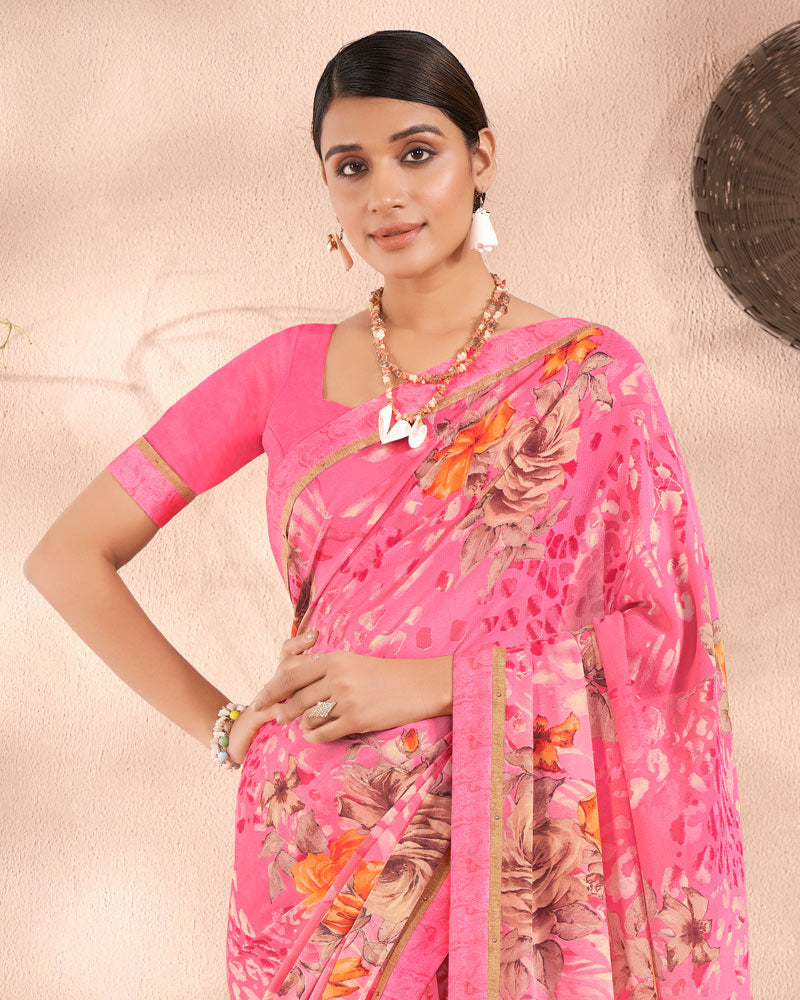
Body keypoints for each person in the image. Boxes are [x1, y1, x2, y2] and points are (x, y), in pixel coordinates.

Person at [23, 28, 752, 1000]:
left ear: (480, 157)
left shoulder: (590, 378)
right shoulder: (283, 371)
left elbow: (665, 646)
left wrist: (430, 684)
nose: (384, 194)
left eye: (416, 152)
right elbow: (68, 556)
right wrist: (230, 728)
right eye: (350, 167)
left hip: (518, 847)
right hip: (309, 857)